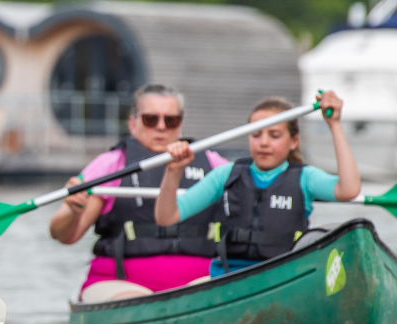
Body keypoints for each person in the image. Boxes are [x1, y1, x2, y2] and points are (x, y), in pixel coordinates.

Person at [49, 84, 230, 302]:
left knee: (210, 293)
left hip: (199, 283)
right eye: (150, 119)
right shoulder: (110, 166)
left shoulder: (213, 164)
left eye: (170, 120)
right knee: (138, 300)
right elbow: (65, 236)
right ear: (133, 124)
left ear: (180, 123)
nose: (161, 127)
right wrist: (72, 210)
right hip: (121, 284)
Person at [155, 92, 359, 277]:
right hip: (228, 276)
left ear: (294, 141)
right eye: (256, 134)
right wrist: (174, 171)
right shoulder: (226, 174)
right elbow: (167, 217)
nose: (263, 142)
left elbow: (349, 190)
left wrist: (334, 125)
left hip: (282, 275)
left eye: (274, 135)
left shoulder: (305, 178)